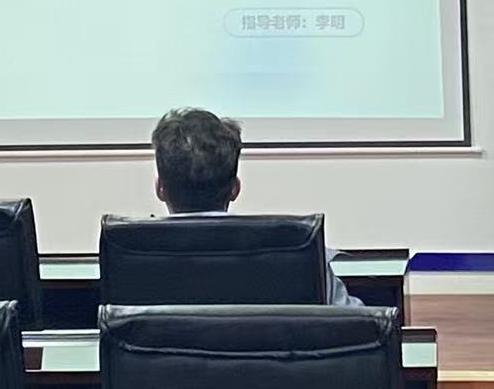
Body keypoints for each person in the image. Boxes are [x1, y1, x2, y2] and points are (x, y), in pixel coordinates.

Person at [151, 106, 361, 307]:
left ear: (160, 189)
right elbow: (356, 324)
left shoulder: (133, 252)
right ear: (235, 189)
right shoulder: (299, 252)